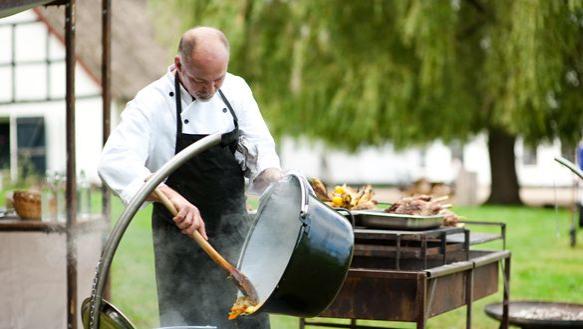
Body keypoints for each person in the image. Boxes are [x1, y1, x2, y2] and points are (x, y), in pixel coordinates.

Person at [98, 26, 281, 328]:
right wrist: (171, 196)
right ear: (179, 64)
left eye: (217, 78)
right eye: (199, 80)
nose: (209, 89)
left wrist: (274, 178)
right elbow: (114, 161)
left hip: (237, 238)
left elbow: (260, 149)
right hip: (180, 245)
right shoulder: (151, 102)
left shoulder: (236, 90)